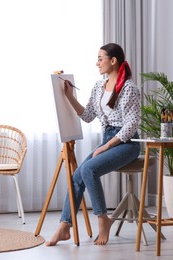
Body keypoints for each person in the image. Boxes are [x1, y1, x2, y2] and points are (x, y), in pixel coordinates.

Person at [46, 43, 141, 246]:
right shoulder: (99, 86)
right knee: (78, 174)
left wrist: (106, 147)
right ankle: (65, 226)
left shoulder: (129, 88)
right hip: (109, 139)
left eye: (100, 58)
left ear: (113, 61)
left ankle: (102, 219)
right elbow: (88, 116)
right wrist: (69, 96)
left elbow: (131, 126)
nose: (97, 63)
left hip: (127, 143)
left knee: (88, 169)